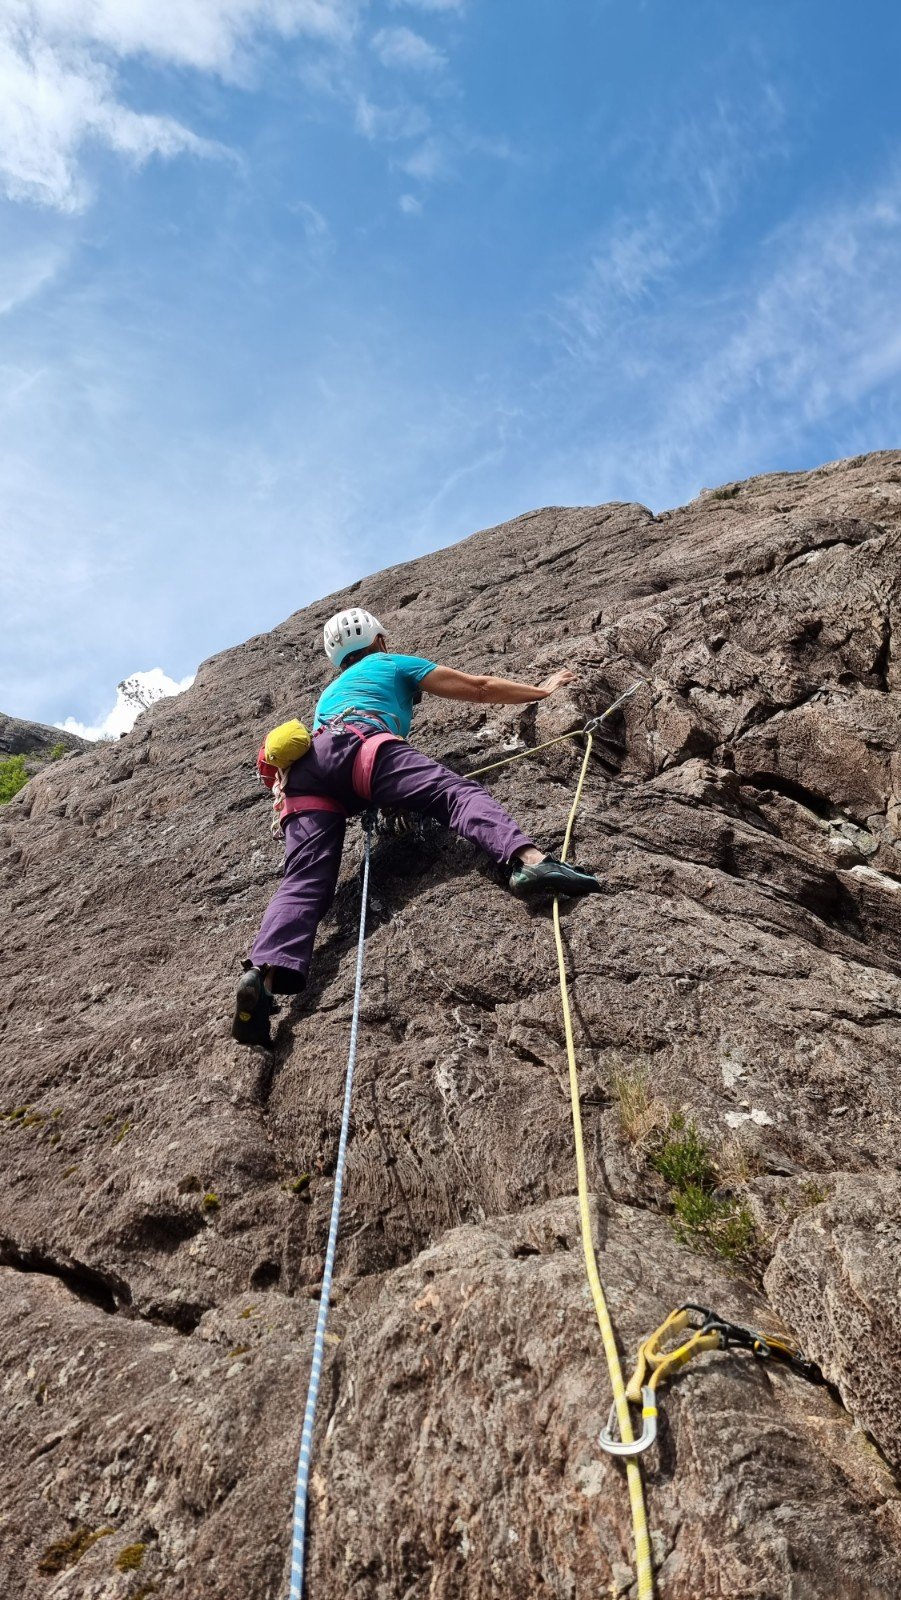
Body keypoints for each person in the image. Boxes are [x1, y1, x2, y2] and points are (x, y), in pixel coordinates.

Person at [232, 607, 601, 1045]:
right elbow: (479, 688)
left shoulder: (328, 694)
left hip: (307, 774)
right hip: (363, 747)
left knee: (304, 880)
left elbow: (333, 764)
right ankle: (531, 862)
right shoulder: (390, 663)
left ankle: (263, 975)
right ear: (379, 640)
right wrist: (542, 690)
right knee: (454, 793)